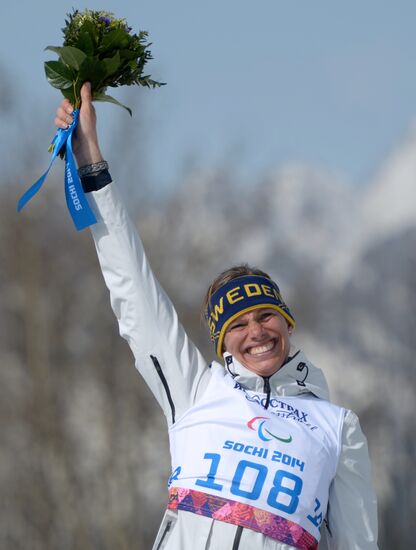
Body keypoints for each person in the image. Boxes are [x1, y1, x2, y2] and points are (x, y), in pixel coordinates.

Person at [55, 83, 378, 550]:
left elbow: (358, 542)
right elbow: (134, 287)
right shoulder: (196, 391)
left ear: (288, 322)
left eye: (266, 316)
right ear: (223, 342)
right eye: (239, 325)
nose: (257, 333)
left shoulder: (337, 427)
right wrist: (91, 165)